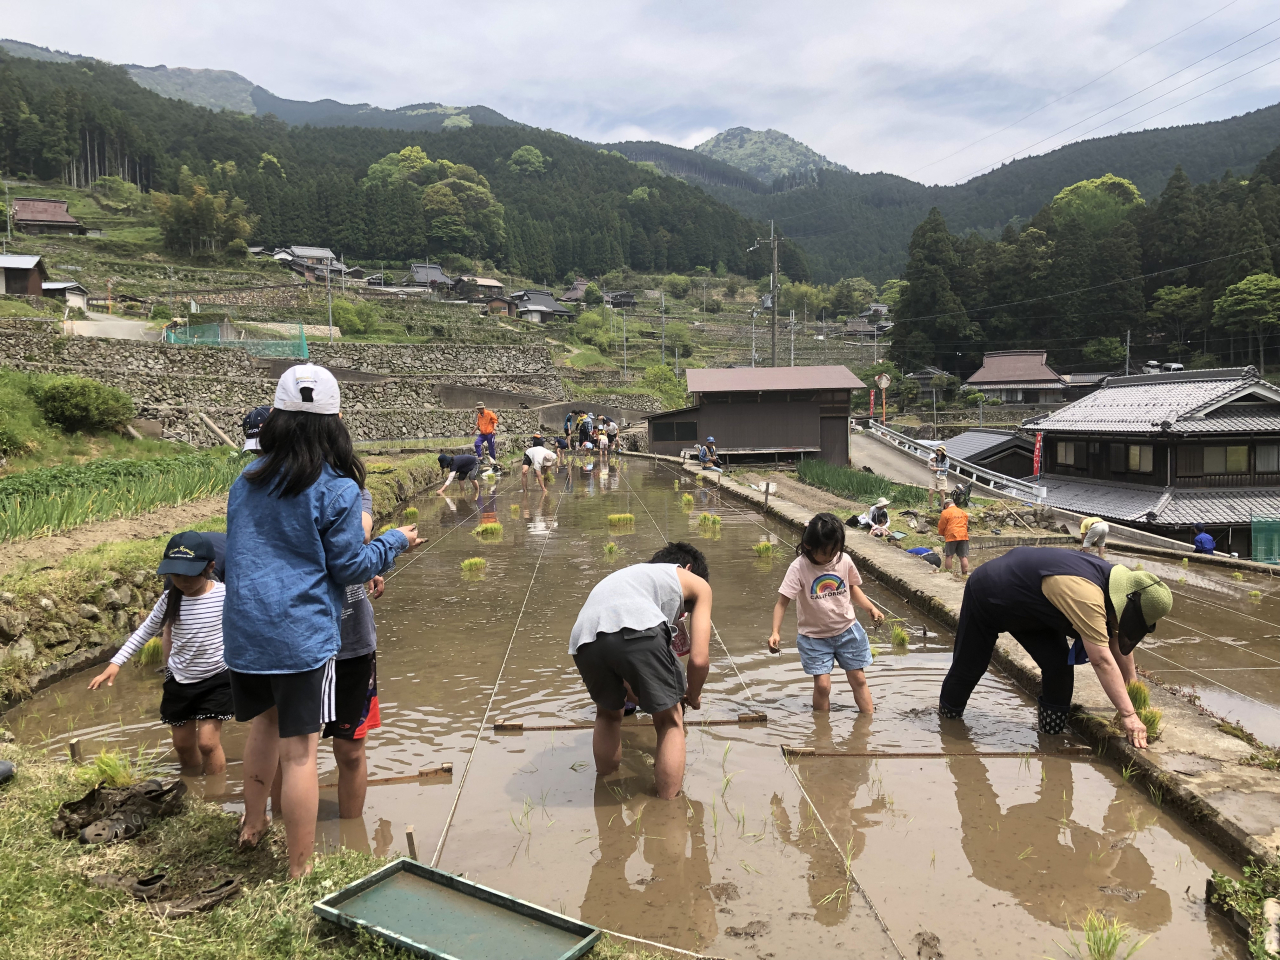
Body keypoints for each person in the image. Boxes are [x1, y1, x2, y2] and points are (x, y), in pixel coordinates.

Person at [223, 363, 422, 878]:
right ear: (335, 422)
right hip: (299, 632)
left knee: (262, 727)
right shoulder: (336, 488)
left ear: (278, 418)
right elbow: (351, 567)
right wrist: (395, 541)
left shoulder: (246, 481)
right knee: (300, 751)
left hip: (245, 628)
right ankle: (299, 868)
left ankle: (251, 825)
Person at [938, 546, 1173, 746]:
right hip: (990, 590)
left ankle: (1051, 738)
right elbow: (1101, 659)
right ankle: (947, 724)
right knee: (970, 666)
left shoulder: (1112, 587)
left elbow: (1117, 640)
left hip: (1033, 605)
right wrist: (1129, 715)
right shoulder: (1086, 593)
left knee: (1059, 664)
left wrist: (1133, 688)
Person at [271, 487, 386, 821]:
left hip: (352, 646)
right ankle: (279, 829)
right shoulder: (282, 496)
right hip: (302, 647)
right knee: (290, 750)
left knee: (350, 750)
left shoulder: (354, 492)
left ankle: (353, 836)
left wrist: (369, 566)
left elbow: (357, 540)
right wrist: (389, 546)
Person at [569, 542, 712, 800]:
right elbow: (699, 660)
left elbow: (627, 671)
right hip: (637, 626)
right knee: (670, 720)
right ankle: (668, 808)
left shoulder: (632, 577)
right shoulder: (697, 584)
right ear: (689, 569)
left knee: (608, 715)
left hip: (583, 637)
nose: (683, 614)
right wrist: (694, 694)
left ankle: (607, 789)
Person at [89, 532, 231, 776]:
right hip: (180, 679)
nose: (183, 582)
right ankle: (191, 789)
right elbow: (146, 630)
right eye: (176, 576)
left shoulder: (225, 595)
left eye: (189, 576)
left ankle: (215, 794)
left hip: (216, 677)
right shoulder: (170, 598)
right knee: (182, 745)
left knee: (207, 743)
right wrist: (116, 663)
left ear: (210, 567)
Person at [768, 513, 885, 713]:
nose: (831, 557)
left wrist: (870, 608)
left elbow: (852, 588)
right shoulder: (799, 567)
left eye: (835, 551)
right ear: (808, 546)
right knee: (823, 686)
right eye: (826, 553)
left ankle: (868, 726)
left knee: (859, 679)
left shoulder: (844, 560)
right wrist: (775, 632)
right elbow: (782, 602)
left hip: (847, 631)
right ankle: (822, 735)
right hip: (814, 637)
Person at [938, 497, 971, 575]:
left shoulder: (945, 512)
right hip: (963, 535)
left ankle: (948, 574)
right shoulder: (963, 512)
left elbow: (941, 525)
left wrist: (942, 533)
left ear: (946, 505)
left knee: (949, 556)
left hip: (951, 535)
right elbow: (966, 524)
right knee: (963, 556)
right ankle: (965, 574)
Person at [926, 444, 950, 509]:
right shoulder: (935, 457)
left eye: (939, 450)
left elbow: (946, 468)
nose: (938, 451)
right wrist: (932, 468)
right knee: (931, 492)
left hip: (942, 476)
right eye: (937, 450)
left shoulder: (946, 459)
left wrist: (937, 469)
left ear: (942, 452)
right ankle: (930, 506)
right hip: (934, 475)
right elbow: (930, 463)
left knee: (942, 494)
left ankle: (942, 507)